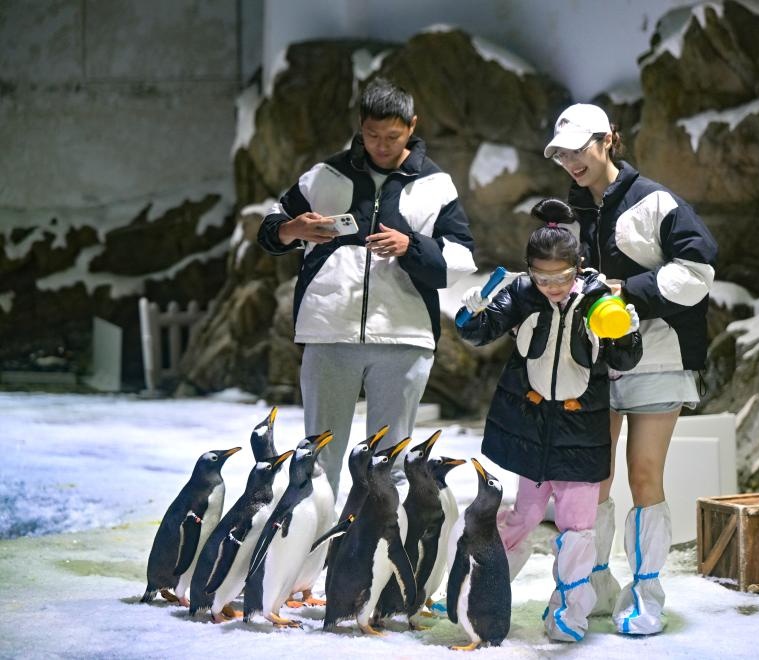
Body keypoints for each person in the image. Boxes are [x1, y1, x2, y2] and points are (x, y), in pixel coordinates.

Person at [543, 103, 718, 635]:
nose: (572, 161)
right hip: (591, 363)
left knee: (644, 475)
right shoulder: (566, 214)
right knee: (590, 480)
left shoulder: (655, 201)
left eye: (579, 149)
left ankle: (645, 596)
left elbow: (698, 270)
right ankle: (589, 586)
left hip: (657, 357)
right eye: (562, 154)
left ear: (608, 140)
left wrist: (627, 291)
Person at [257, 78, 476, 497]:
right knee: (316, 462)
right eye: (373, 134)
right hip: (329, 332)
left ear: (412, 126)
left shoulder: (435, 184)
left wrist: (410, 247)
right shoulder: (325, 175)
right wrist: (293, 229)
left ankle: (381, 542)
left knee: (389, 466)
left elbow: (460, 258)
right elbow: (270, 228)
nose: (381, 145)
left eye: (392, 136)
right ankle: (313, 540)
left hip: (404, 337)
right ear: (360, 125)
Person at [456, 198, 643, 643]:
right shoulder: (522, 294)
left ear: (578, 267)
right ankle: (475, 593)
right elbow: (478, 332)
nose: (552, 286)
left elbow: (625, 359)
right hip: (532, 431)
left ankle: (569, 614)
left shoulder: (599, 300)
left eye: (561, 277)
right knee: (521, 519)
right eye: (542, 278)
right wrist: (473, 310)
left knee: (577, 528)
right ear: (529, 271)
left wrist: (628, 331)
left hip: (581, 435)